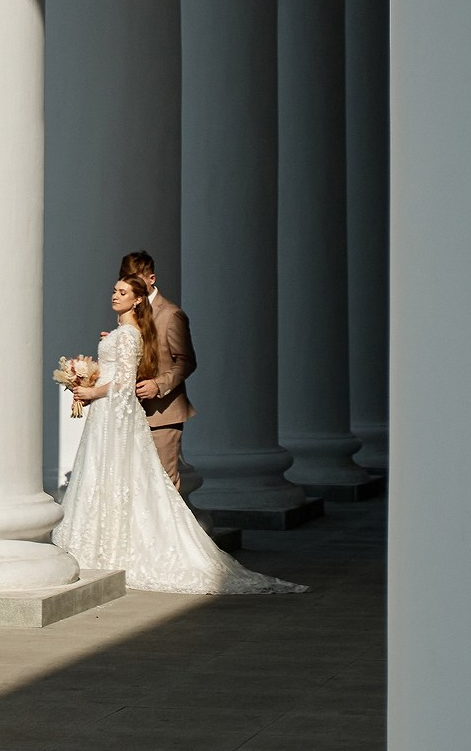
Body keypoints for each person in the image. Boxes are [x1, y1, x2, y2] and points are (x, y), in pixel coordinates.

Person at [50, 272, 302, 595]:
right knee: (104, 475)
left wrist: (92, 392)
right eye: (114, 290)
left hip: (114, 411)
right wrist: (86, 380)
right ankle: (97, 545)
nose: (115, 295)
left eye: (123, 292)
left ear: (137, 299)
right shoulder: (122, 332)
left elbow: (126, 384)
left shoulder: (129, 335)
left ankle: (111, 547)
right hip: (106, 415)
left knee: (121, 476)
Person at [121, 250, 195, 491]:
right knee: (138, 487)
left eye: (136, 279)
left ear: (151, 279)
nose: (131, 285)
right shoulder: (129, 313)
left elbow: (186, 361)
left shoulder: (171, 314)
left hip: (163, 414)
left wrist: (158, 385)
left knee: (164, 487)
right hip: (132, 413)